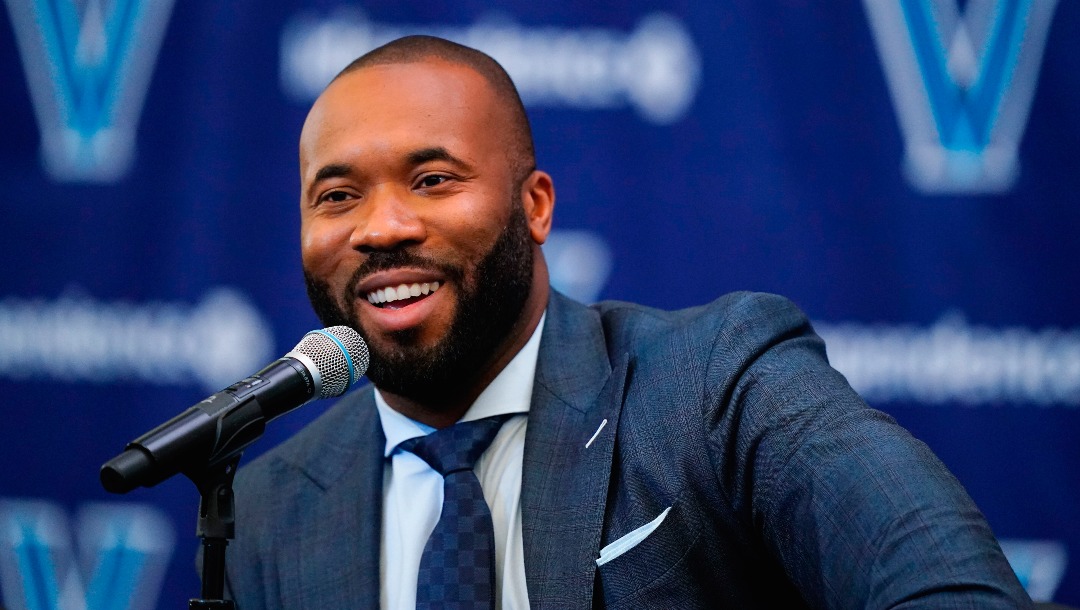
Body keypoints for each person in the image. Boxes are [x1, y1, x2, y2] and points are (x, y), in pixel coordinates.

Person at [224, 35, 1033, 609]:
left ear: (535, 206)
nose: (381, 227)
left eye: (433, 179)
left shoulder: (717, 383)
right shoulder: (265, 509)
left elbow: (948, 586)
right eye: (336, 197)